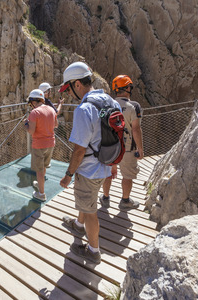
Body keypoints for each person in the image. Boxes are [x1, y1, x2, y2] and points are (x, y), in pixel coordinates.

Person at [58, 62, 121, 265]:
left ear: (77, 84)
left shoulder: (84, 110)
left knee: (91, 210)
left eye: (69, 88)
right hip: (105, 164)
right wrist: (113, 164)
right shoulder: (112, 102)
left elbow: (79, 150)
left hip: (89, 170)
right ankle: (78, 224)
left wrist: (68, 175)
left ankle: (93, 251)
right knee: (88, 200)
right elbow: (117, 135)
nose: (68, 94)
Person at [99, 75, 144, 210]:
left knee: (108, 173)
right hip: (128, 147)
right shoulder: (133, 107)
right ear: (126, 88)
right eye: (130, 87)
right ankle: (125, 200)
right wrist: (140, 149)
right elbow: (136, 129)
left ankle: (105, 198)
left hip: (110, 146)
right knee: (127, 175)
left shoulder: (107, 105)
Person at [24, 89, 58, 202]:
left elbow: (31, 131)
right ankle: (40, 184)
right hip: (50, 143)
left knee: (39, 170)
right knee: (43, 167)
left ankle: (41, 194)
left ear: (33, 101)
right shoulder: (52, 110)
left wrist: (26, 124)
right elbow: (56, 125)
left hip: (39, 145)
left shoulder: (34, 113)